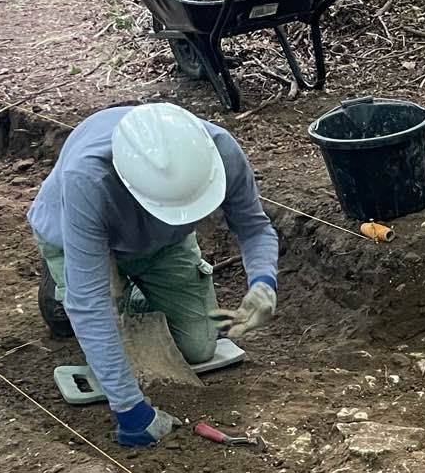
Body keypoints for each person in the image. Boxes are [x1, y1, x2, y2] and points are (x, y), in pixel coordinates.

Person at [28, 103, 279, 448]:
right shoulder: (88, 178)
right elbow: (89, 303)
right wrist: (131, 412)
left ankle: (129, 295)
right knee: (94, 322)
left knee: (198, 346)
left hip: (164, 245)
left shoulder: (218, 149)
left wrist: (264, 282)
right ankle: (62, 290)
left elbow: (254, 226)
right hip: (80, 237)